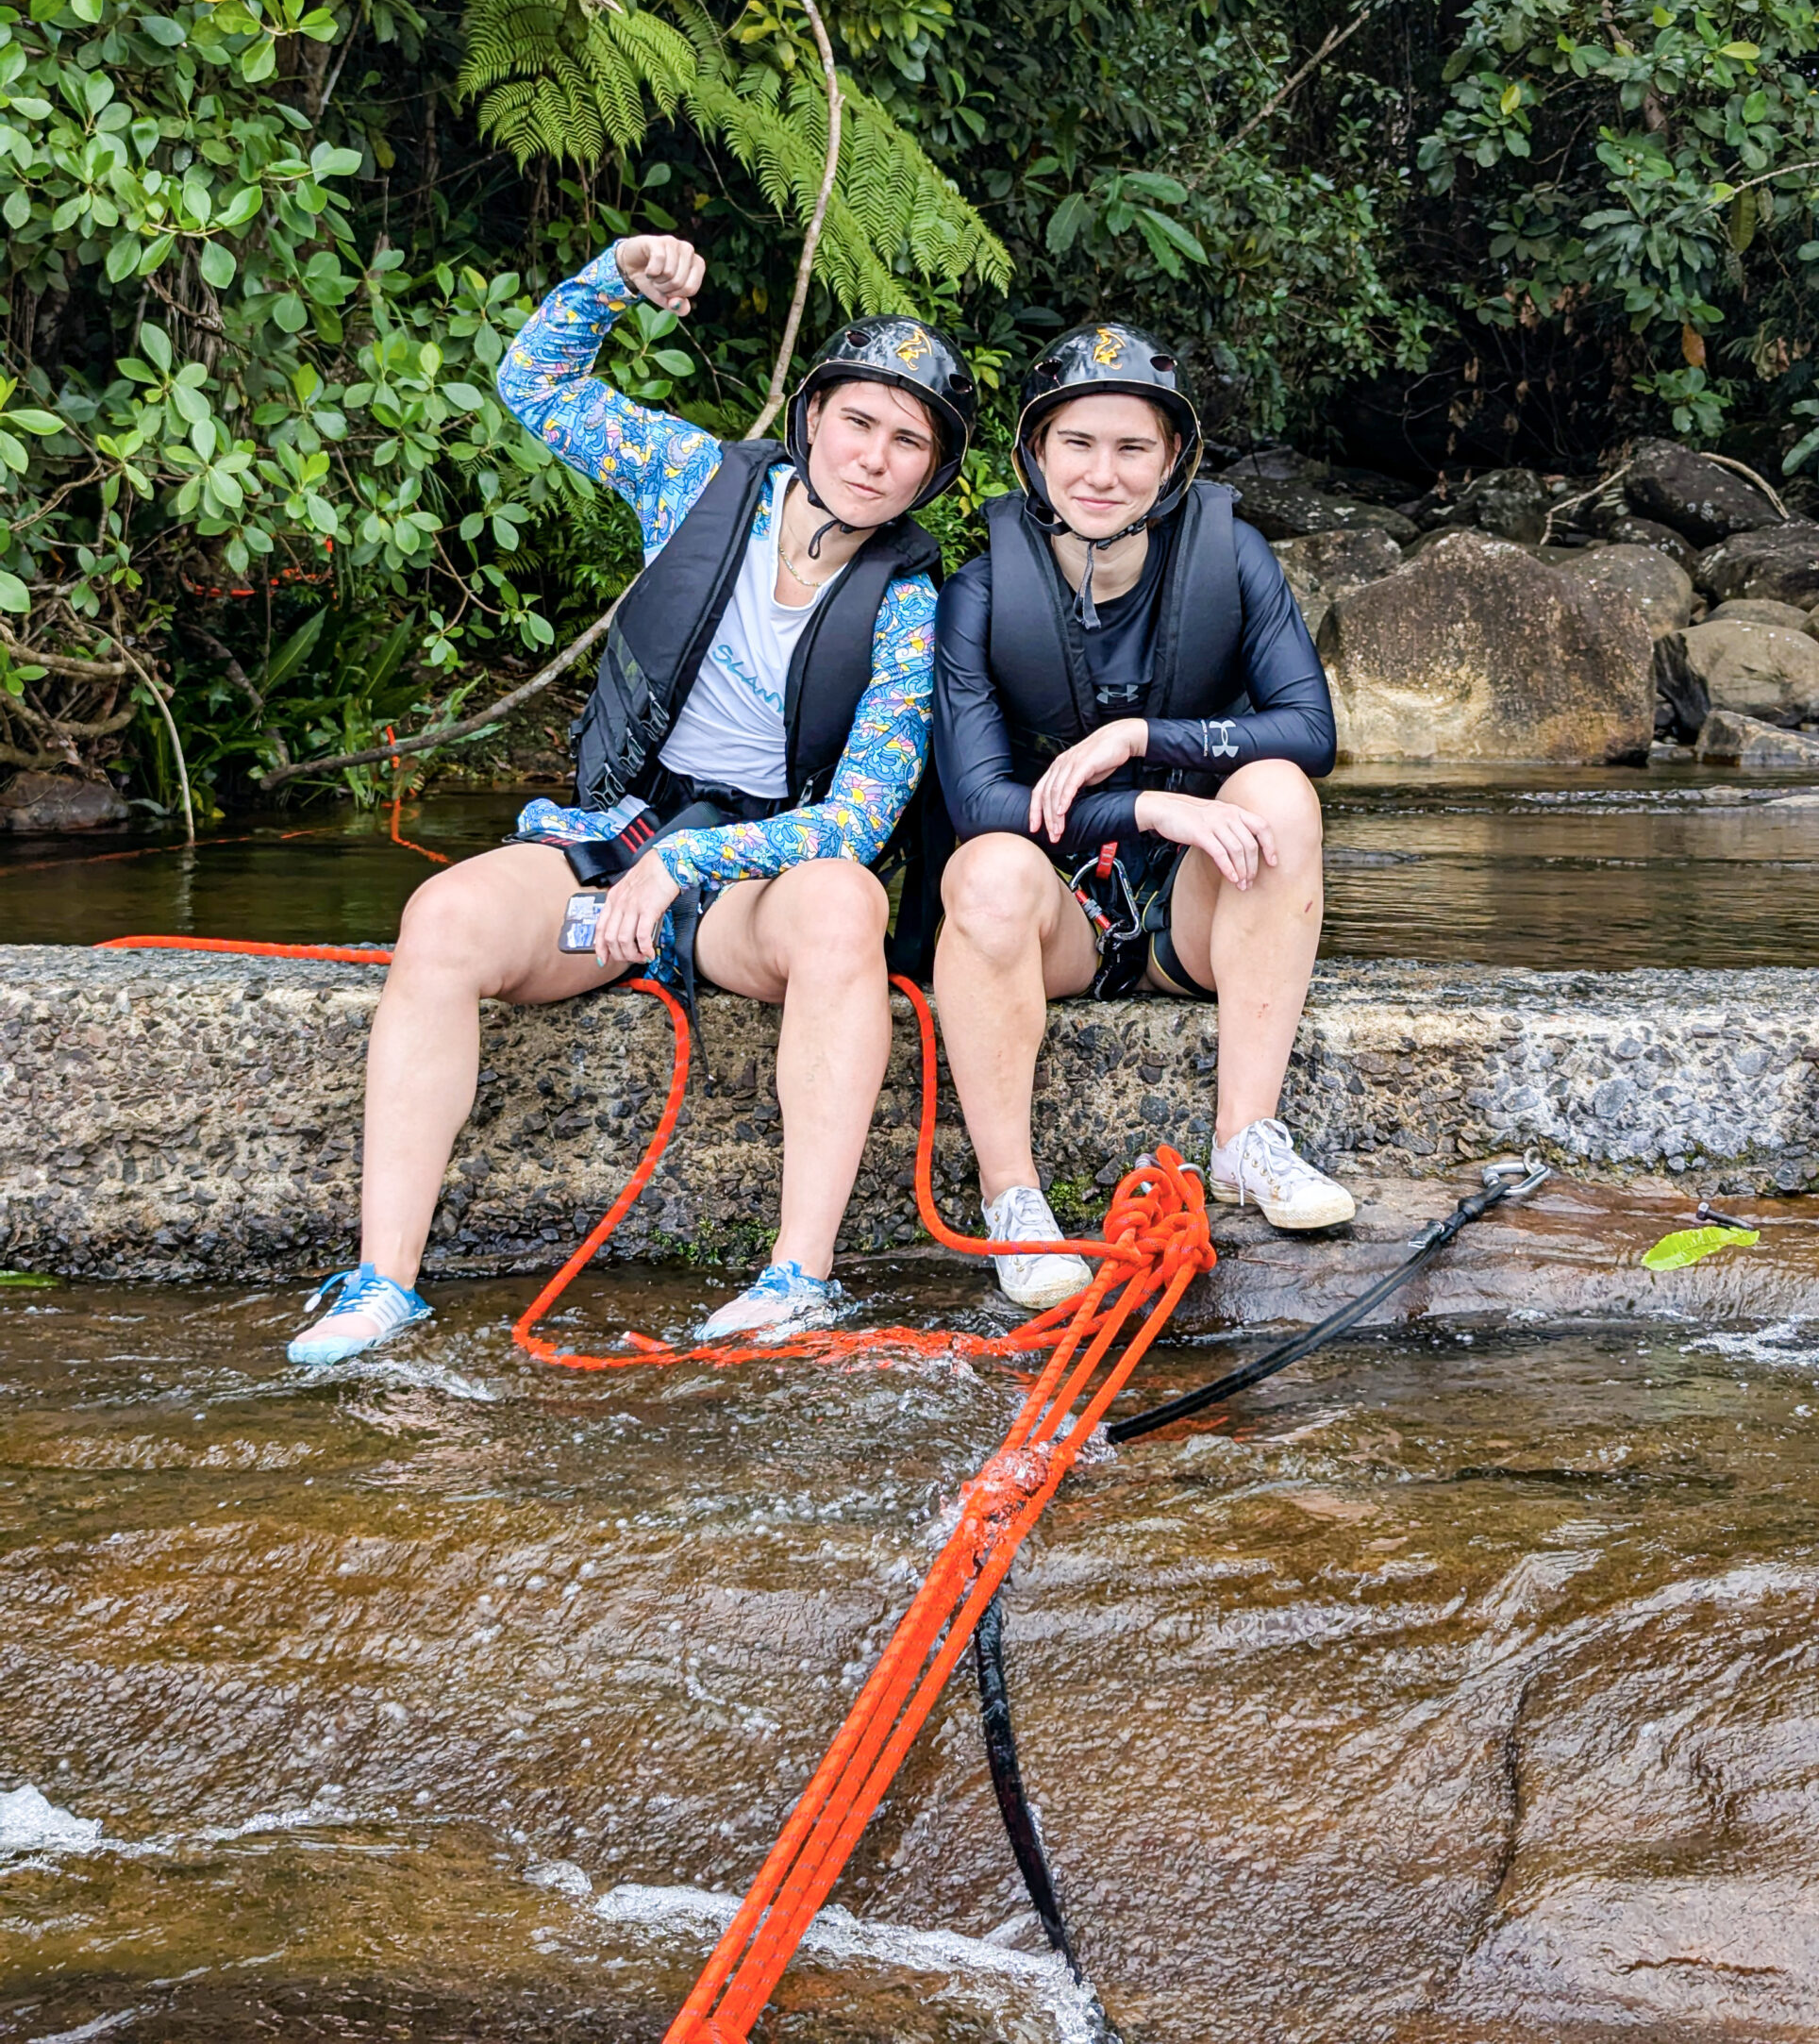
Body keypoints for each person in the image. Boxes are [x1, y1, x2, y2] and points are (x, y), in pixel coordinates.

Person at [288, 230, 993, 1364]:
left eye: (907, 441)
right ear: (812, 416)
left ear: (930, 474)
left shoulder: (912, 604)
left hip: (751, 878)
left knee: (843, 903)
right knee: (445, 918)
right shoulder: (693, 476)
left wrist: (689, 862)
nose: (873, 457)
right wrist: (613, 277)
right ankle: (383, 1284)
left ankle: (797, 1276)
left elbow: (862, 817)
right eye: (858, 421)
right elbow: (536, 386)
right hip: (616, 832)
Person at [931, 320, 1353, 1304]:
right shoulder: (980, 590)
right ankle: (1013, 1199)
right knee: (982, 873)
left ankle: (1247, 1139)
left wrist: (1142, 738)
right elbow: (978, 802)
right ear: (1037, 453)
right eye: (1077, 443)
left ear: (1170, 461)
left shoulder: (1232, 557)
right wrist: (1154, 806)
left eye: (1131, 448)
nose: (1102, 473)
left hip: (1190, 917)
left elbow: (1310, 730)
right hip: (1057, 921)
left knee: (1279, 794)